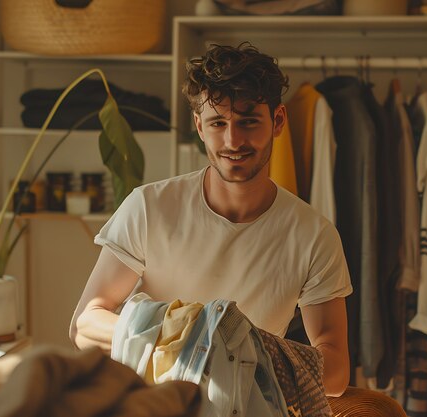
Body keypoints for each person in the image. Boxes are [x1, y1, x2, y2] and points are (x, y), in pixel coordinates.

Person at [69, 42, 353, 397]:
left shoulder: (313, 235)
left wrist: (244, 357)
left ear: (277, 121)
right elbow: (85, 325)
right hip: (154, 405)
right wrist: (189, 340)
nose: (233, 140)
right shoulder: (148, 207)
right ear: (200, 127)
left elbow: (337, 370)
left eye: (248, 121)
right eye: (218, 122)